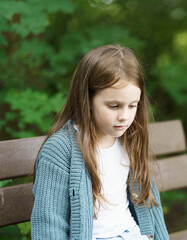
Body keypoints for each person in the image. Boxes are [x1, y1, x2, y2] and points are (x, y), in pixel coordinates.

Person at [31, 44, 169, 240]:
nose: (125, 116)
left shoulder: (130, 139)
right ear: (86, 99)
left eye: (133, 106)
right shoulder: (60, 150)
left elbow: (149, 201)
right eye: (114, 106)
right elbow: (49, 222)